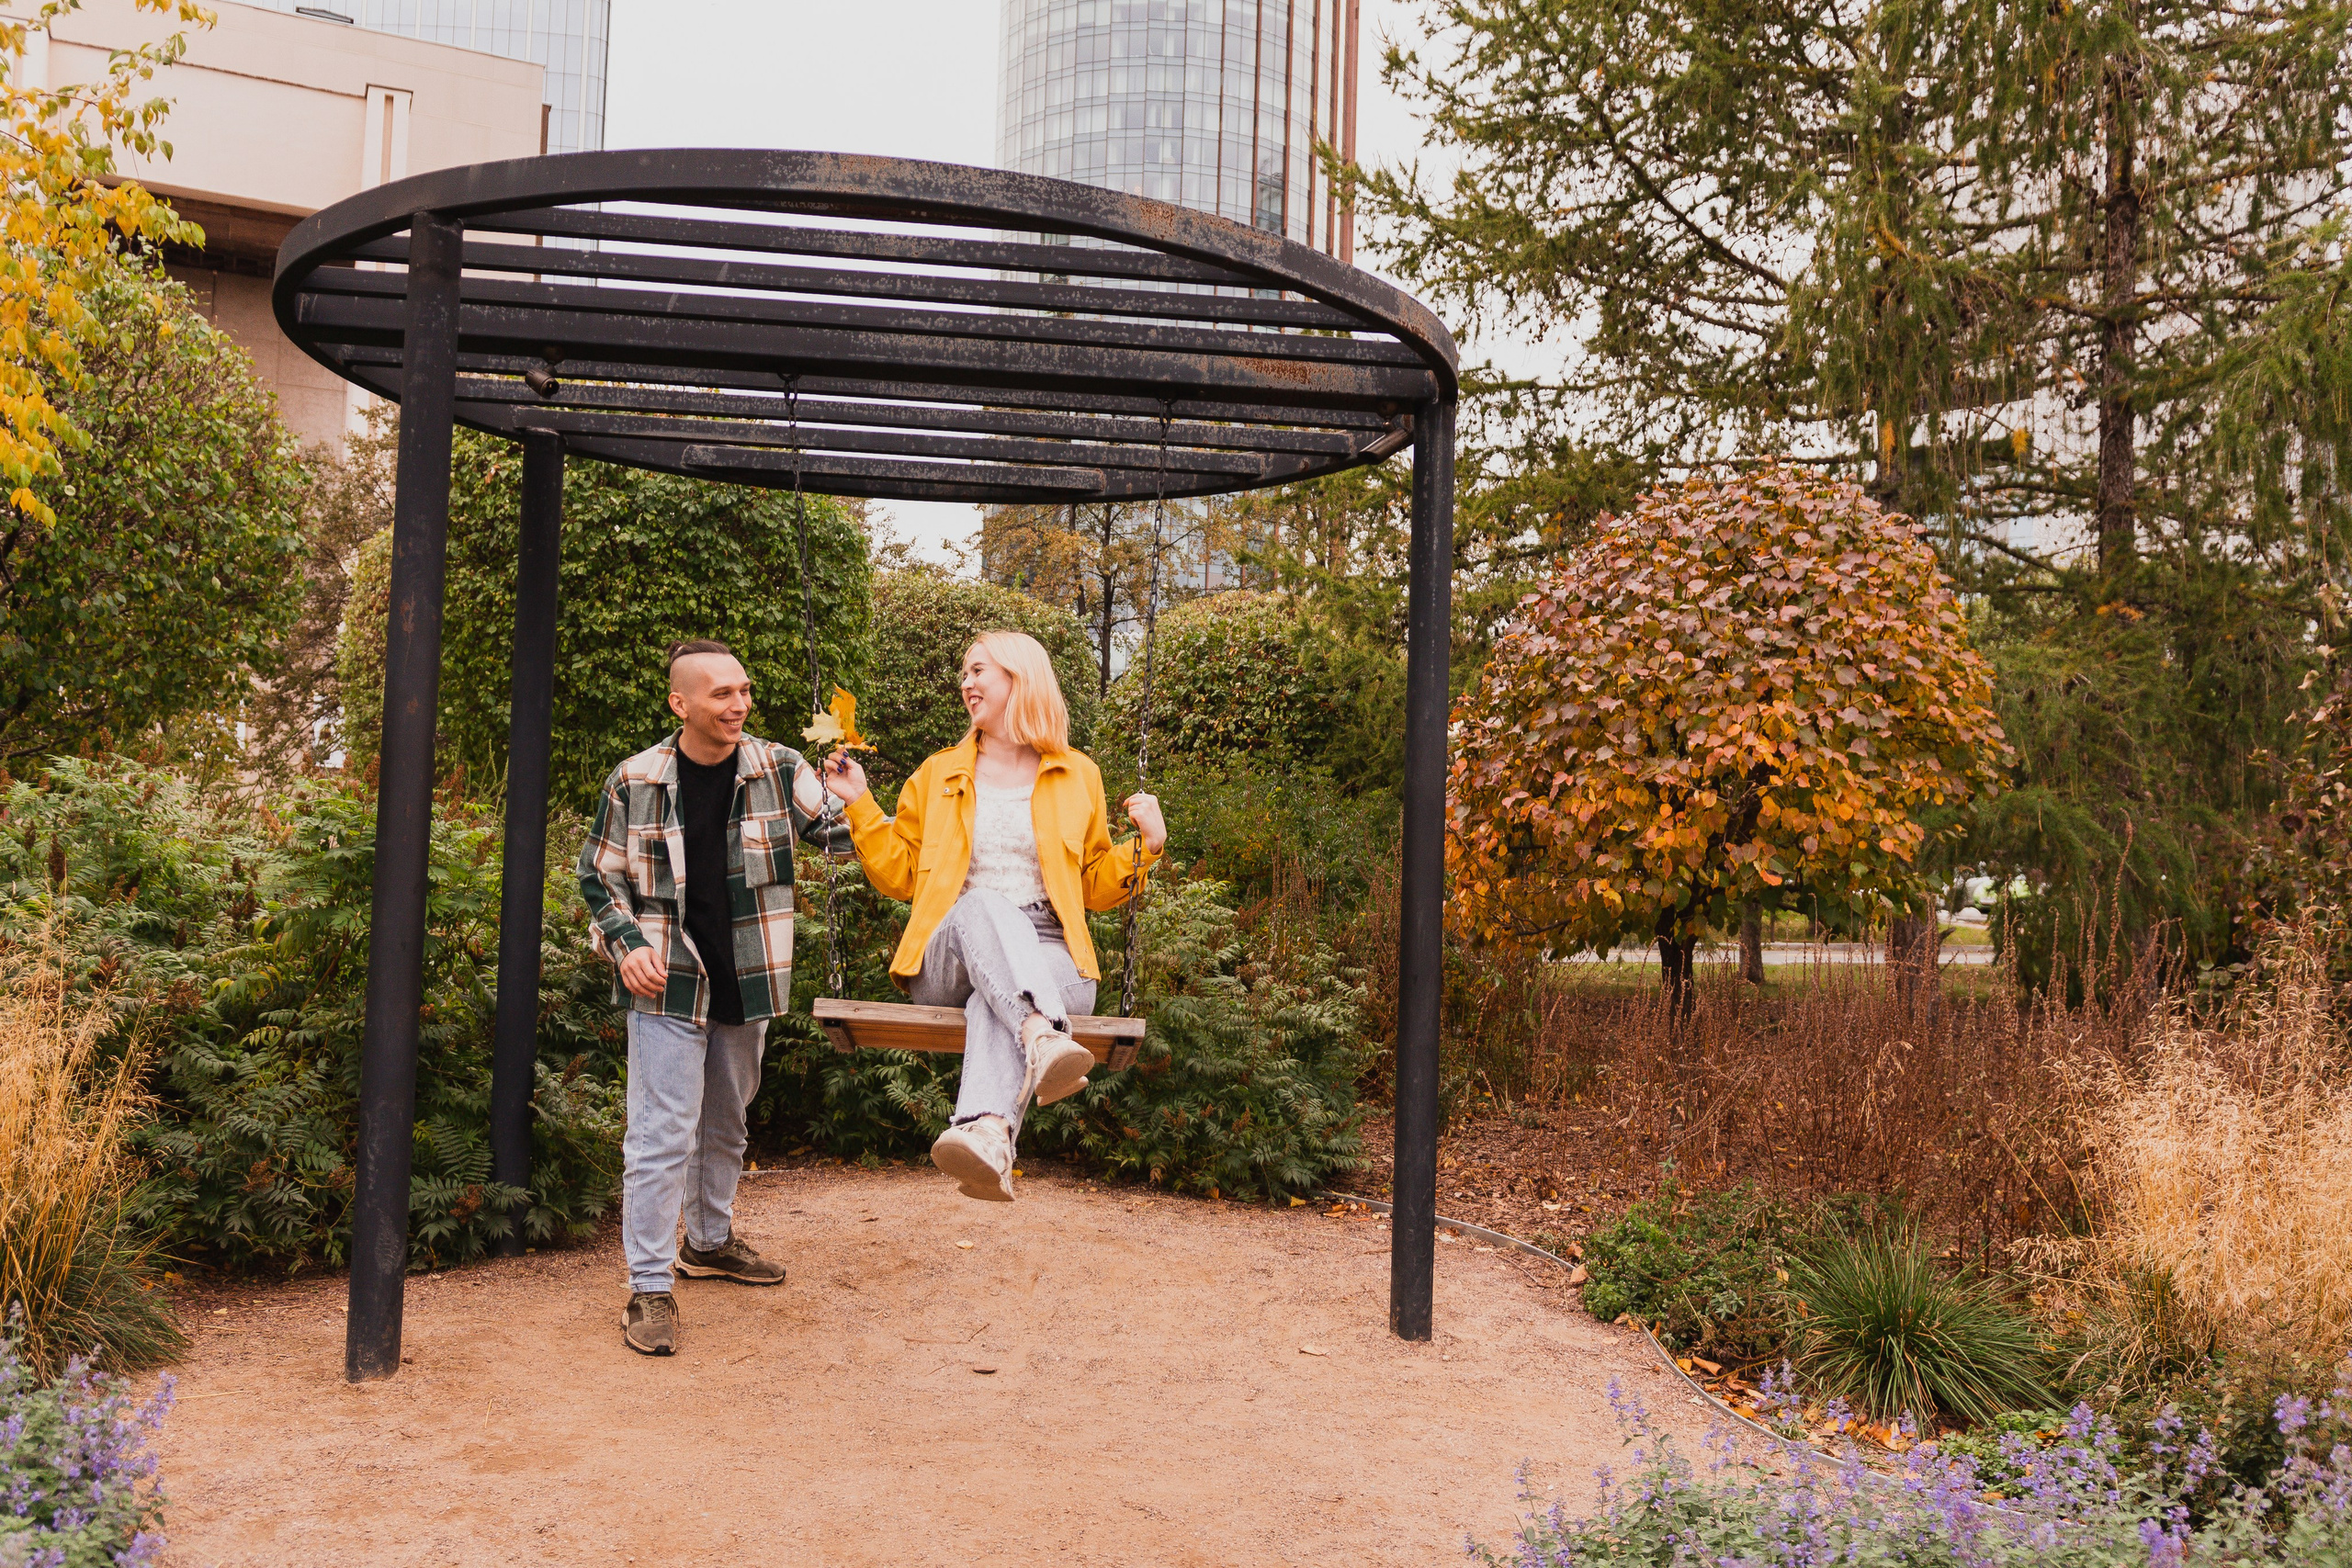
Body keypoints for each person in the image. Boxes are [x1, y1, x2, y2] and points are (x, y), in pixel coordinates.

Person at [822, 629, 1166, 1201]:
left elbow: (1091, 887)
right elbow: (902, 873)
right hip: (954, 950)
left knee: (998, 997)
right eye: (965, 672)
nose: (967, 682)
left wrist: (1145, 848)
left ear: (1019, 678)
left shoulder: (1078, 773)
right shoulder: (938, 774)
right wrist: (860, 803)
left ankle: (989, 1132)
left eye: (979, 670)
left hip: (1052, 950)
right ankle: (1041, 1034)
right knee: (984, 904)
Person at [578, 639, 848, 1358]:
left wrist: (854, 793)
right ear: (681, 703)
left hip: (749, 974)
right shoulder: (635, 780)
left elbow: (840, 840)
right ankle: (648, 1284)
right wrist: (625, 943)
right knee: (662, 1133)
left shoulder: (782, 767)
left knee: (726, 1122)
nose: (739, 705)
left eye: (744, 691)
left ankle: (709, 1241)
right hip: (667, 977)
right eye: (722, 694)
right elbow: (597, 878)